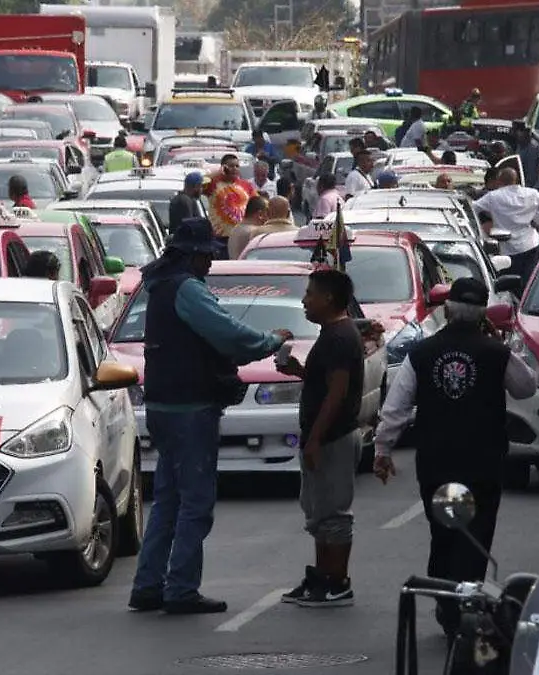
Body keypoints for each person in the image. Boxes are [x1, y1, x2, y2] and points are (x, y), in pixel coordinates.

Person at [129, 217, 293, 615]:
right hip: (190, 410)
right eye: (207, 257)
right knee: (195, 504)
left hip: (163, 408)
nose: (210, 264)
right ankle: (181, 589)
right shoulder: (187, 289)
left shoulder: (159, 287)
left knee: (168, 501)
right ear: (194, 255)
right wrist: (271, 341)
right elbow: (229, 335)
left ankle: (148, 585)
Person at [371, 277, 537, 637]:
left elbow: (395, 409)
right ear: (483, 314)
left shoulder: (423, 352)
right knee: (476, 534)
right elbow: (527, 388)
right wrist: (498, 344)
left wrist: (382, 450)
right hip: (484, 463)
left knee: (444, 533)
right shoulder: (496, 352)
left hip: (437, 463)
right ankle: (469, 606)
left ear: (447, 309)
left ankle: (448, 606)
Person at [276, 269, 365, 607]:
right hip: (321, 437)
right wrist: (299, 371)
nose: (304, 300)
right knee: (318, 511)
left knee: (335, 514)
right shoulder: (331, 335)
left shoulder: (341, 337)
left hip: (333, 439)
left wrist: (315, 439)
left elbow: (337, 394)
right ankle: (321, 577)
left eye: (310, 293)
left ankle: (337, 582)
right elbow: (324, 383)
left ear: (328, 298)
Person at [470, 167, 539, 285]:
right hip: (530, 243)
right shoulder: (530, 193)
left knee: (508, 283)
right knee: (530, 281)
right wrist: (538, 218)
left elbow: (473, 207)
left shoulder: (493, 197)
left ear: (499, 180)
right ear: (516, 180)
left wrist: (480, 225)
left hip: (507, 247)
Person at [203, 154, 257, 256]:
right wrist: (218, 172)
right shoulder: (213, 184)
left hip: (241, 235)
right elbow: (200, 182)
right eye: (231, 166)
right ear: (223, 167)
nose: (235, 169)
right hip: (220, 237)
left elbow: (256, 204)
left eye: (237, 166)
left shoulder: (246, 185)